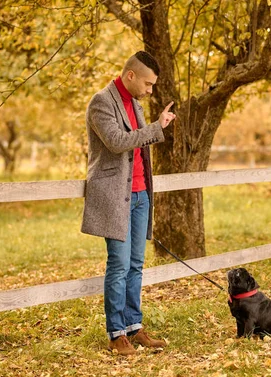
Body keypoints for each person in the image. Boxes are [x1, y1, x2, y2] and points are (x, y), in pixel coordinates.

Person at [81, 51, 176, 356]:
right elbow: (117, 142)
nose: (150, 91)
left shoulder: (134, 103)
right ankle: (115, 334)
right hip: (115, 196)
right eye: (148, 84)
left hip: (140, 194)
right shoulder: (101, 102)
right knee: (119, 265)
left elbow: (136, 143)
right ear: (131, 76)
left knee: (136, 265)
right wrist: (157, 127)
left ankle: (134, 328)